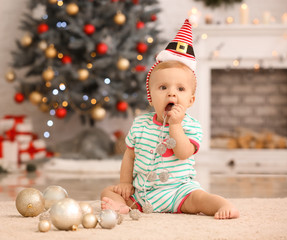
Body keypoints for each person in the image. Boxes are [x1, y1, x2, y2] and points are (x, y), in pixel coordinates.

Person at [101, 19, 239, 220]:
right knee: (108, 191)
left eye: (180, 89)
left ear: (190, 100)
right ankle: (121, 206)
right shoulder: (141, 123)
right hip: (143, 193)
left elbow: (183, 153)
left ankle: (223, 204)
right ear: (151, 95)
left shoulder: (191, 126)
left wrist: (175, 125)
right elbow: (129, 156)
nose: (171, 94)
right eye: (163, 87)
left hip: (179, 191)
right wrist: (125, 183)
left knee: (200, 199)